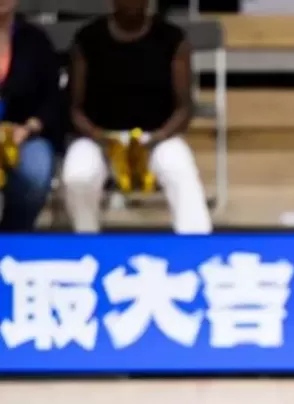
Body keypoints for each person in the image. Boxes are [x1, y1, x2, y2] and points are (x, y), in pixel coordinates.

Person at [63, 0, 212, 234]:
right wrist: (100, 137)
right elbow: (74, 108)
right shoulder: (88, 38)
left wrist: (158, 137)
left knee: (179, 168)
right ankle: (87, 241)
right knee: (77, 174)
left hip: (156, 137)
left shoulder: (172, 38)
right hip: (99, 138)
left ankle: (197, 246)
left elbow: (184, 108)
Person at [0, 0, 64, 231]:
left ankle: (13, 237)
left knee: (36, 172)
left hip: (26, 134)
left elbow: (52, 98)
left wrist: (28, 128)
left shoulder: (35, 40)